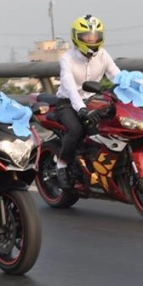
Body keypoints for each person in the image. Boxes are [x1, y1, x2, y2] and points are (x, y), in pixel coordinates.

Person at [54, 14, 121, 187]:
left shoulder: (103, 55)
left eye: (95, 36)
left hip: (93, 99)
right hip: (68, 103)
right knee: (76, 130)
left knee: (107, 127)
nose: (91, 40)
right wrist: (82, 109)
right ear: (77, 37)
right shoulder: (67, 59)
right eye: (86, 36)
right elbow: (70, 88)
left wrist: (132, 88)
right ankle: (61, 165)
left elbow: (116, 75)